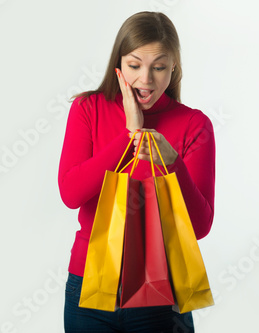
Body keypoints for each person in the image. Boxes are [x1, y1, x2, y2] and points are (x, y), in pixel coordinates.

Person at [58, 11, 215, 333]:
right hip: (89, 285)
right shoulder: (88, 108)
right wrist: (130, 135)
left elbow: (198, 227)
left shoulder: (194, 125)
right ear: (118, 67)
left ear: (174, 67)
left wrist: (173, 164)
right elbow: (71, 194)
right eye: (134, 66)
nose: (146, 79)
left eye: (159, 67)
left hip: (160, 292)